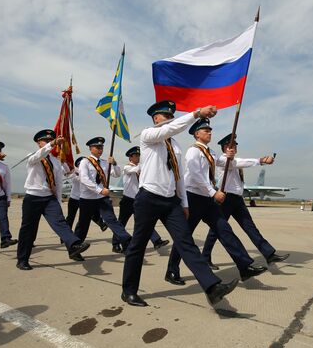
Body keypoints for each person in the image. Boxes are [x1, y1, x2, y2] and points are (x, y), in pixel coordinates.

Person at [122, 100, 239, 307]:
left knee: (186, 243)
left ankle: (212, 287)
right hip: (148, 198)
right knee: (137, 246)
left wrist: (183, 202)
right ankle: (129, 291)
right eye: (165, 116)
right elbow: (172, 128)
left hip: (171, 201)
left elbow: (178, 177)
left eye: (170, 116)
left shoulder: (175, 145)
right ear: (156, 118)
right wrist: (196, 113)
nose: (169, 119)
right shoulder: (149, 135)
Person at [167, 118, 268, 285]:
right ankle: (172, 270)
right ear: (197, 134)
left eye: (210, 130)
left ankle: (244, 266)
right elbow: (196, 176)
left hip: (207, 200)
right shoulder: (194, 151)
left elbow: (232, 163)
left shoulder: (210, 152)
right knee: (184, 237)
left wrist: (257, 161)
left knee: (224, 230)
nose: (210, 133)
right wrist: (213, 192)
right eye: (206, 130)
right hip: (193, 198)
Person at [201, 133, 289, 269]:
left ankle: (269, 254)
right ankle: (205, 257)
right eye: (232, 146)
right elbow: (239, 163)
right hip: (226, 199)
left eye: (235, 145)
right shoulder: (225, 160)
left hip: (237, 199)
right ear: (225, 148)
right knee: (216, 230)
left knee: (250, 227)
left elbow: (239, 163)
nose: (235, 147)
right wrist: (261, 160)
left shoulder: (234, 161)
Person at [16, 130, 90, 270]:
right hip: (33, 197)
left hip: (49, 198)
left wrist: (58, 200)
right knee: (28, 230)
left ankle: (74, 245)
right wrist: (51, 144)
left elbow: (59, 182)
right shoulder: (33, 156)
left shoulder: (56, 162)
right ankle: (22, 259)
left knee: (61, 223)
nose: (49, 142)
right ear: (39, 143)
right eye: (45, 140)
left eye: (51, 140)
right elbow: (38, 156)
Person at [74, 137, 132, 259]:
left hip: (101, 198)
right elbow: (84, 179)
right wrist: (100, 190)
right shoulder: (85, 162)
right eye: (97, 147)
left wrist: (114, 164)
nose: (100, 150)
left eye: (101, 147)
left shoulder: (105, 163)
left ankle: (126, 240)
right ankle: (75, 248)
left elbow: (116, 174)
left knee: (111, 220)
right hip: (88, 198)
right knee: (83, 224)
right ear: (91, 148)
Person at [114, 146, 169, 253]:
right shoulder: (127, 168)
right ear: (130, 158)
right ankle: (116, 244)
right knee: (121, 223)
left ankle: (156, 240)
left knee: (145, 221)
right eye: (136, 156)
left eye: (139, 155)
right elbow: (138, 169)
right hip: (127, 200)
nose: (138, 157)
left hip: (138, 200)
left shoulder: (139, 167)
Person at [65, 156, 108, 232]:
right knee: (70, 217)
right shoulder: (74, 173)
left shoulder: (88, 173)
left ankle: (101, 224)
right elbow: (77, 179)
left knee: (89, 215)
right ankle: (65, 236)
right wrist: (76, 171)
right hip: (74, 199)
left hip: (85, 199)